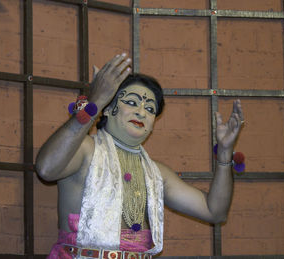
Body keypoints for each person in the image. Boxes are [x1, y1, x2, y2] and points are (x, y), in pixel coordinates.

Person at [35, 53, 244, 259]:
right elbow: (46, 168)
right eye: (133, 103)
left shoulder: (157, 173)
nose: (142, 112)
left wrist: (225, 153)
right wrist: (96, 100)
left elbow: (214, 211)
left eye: (150, 108)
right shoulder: (85, 149)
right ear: (107, 110)